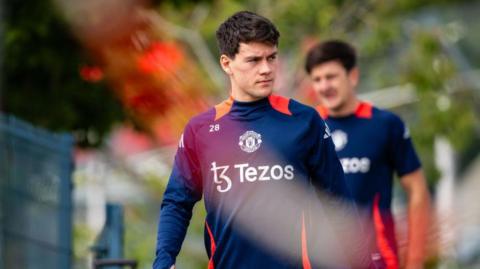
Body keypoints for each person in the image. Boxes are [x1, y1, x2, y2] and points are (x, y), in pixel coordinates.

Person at [153, 11, 353, 269]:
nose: (266, 69)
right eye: (254, 60)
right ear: (227, 64)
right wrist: (163, 261)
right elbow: (177, 203)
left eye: (272, 58)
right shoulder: (200, 130)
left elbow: (339, 203)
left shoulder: (304, 121)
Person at [305, 40, 431, 269]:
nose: (324, 86)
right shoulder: (307, 129)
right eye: (317, 79)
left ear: (352, 76)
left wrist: (415, 260)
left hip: (379, 259)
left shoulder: (385, 125)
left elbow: (417, 190)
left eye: (331, 77)